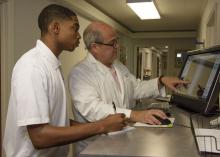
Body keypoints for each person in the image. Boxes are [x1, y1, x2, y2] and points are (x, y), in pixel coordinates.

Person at [3, 5, 127, 157]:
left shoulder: (51, 65)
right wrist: (101, 126)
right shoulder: (33, 66)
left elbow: (57, 121)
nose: (79, 36)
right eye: (74, 28)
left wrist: (103, 127)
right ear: (55, 27)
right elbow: (39, 136)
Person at [68, 21, 188, 154]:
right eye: (113, 43)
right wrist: (135, 115)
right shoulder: (80, 73)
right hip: (95, 147)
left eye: (117, 41)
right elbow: (93, 109)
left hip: (121, 141)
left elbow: (136, 87)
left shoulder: (117, 66)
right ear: (95, 47)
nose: (117, 46)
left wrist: (161, 80)